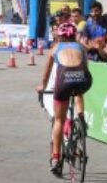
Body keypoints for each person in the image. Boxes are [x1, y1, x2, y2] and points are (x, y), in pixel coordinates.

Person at [36, 22, 92, 175]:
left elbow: (47, 72)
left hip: (64, 80)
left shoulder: (55, 48)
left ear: (60, 36)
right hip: (84, 79)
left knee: (59, 120)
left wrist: (42, 85)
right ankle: (81, 118)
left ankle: (55, 158)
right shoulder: (81, 47)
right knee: (79, 90)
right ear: (74, 35)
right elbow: (84, 67)